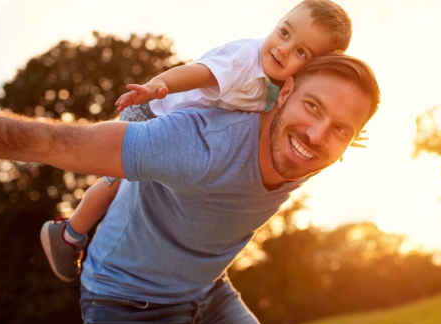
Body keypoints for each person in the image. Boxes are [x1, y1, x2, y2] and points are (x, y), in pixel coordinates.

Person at [0, 52, 380, 324]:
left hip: (207, 291)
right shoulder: (196, 147)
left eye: (341, 129)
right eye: (313, 106)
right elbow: (53, 142)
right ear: (284, 92)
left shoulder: (310, 151)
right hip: (124, 300)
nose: (317, 135)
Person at [41, 0, 354, 283]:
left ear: (315, 68)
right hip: (152, 112)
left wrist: (340, 130)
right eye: (284, 32)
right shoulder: (243, 60)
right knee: (116, 182)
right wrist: (160, 83)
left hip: (187, 136)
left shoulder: (285, 85)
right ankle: (68, 234)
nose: (284, 48)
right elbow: (199, 73)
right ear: (279, 21)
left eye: (302, 52)